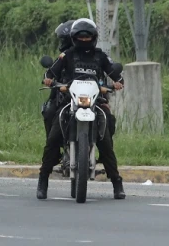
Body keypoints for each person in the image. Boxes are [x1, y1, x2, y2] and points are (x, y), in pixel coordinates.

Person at [37, 18, 126, 201]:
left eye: (88, 37)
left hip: (95, 102)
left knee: (106, 142)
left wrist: (117, 83)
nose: (84, 40)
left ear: (93, 38)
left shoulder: (101, 56)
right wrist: (50, 81)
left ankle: (117, 183)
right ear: (74, 38)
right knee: (53, 138)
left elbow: (115, 73)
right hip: (70, 102)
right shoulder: (67, 55)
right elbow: (50, 72)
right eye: (81, 37)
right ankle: (43, 180)